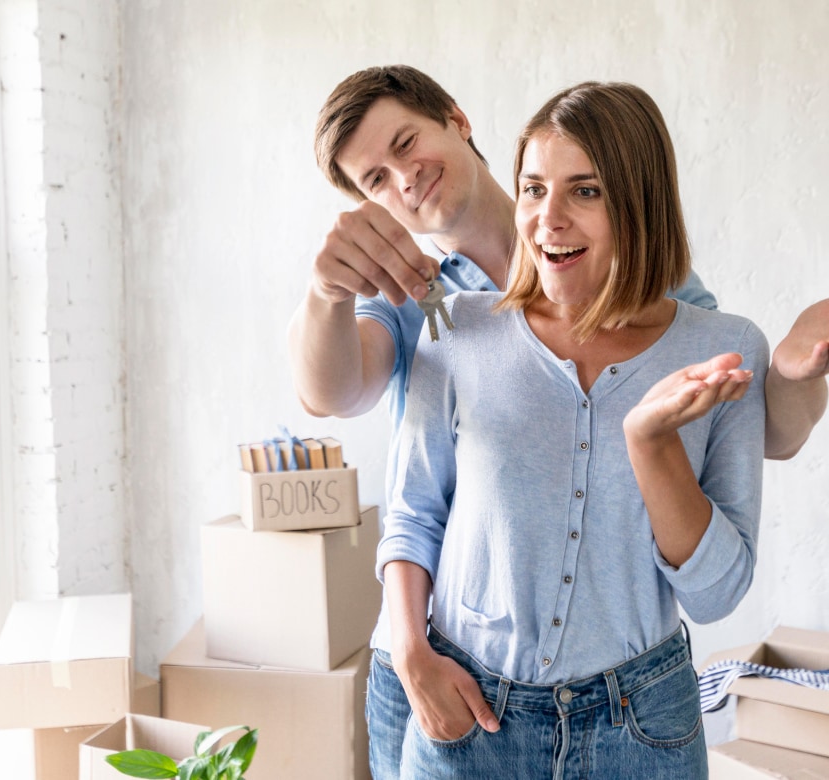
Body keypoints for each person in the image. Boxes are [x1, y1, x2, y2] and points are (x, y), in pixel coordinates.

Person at [286, 64, 829, 779]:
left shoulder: (671, 302)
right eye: (375, 180)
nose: (403, 179)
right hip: (441, 668)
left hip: (633, 700)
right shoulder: (430, 306)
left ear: (456, 119)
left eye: (406, 143)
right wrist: (325, 291)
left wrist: (788, 376)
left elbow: (739, 422)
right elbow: (334, 396)